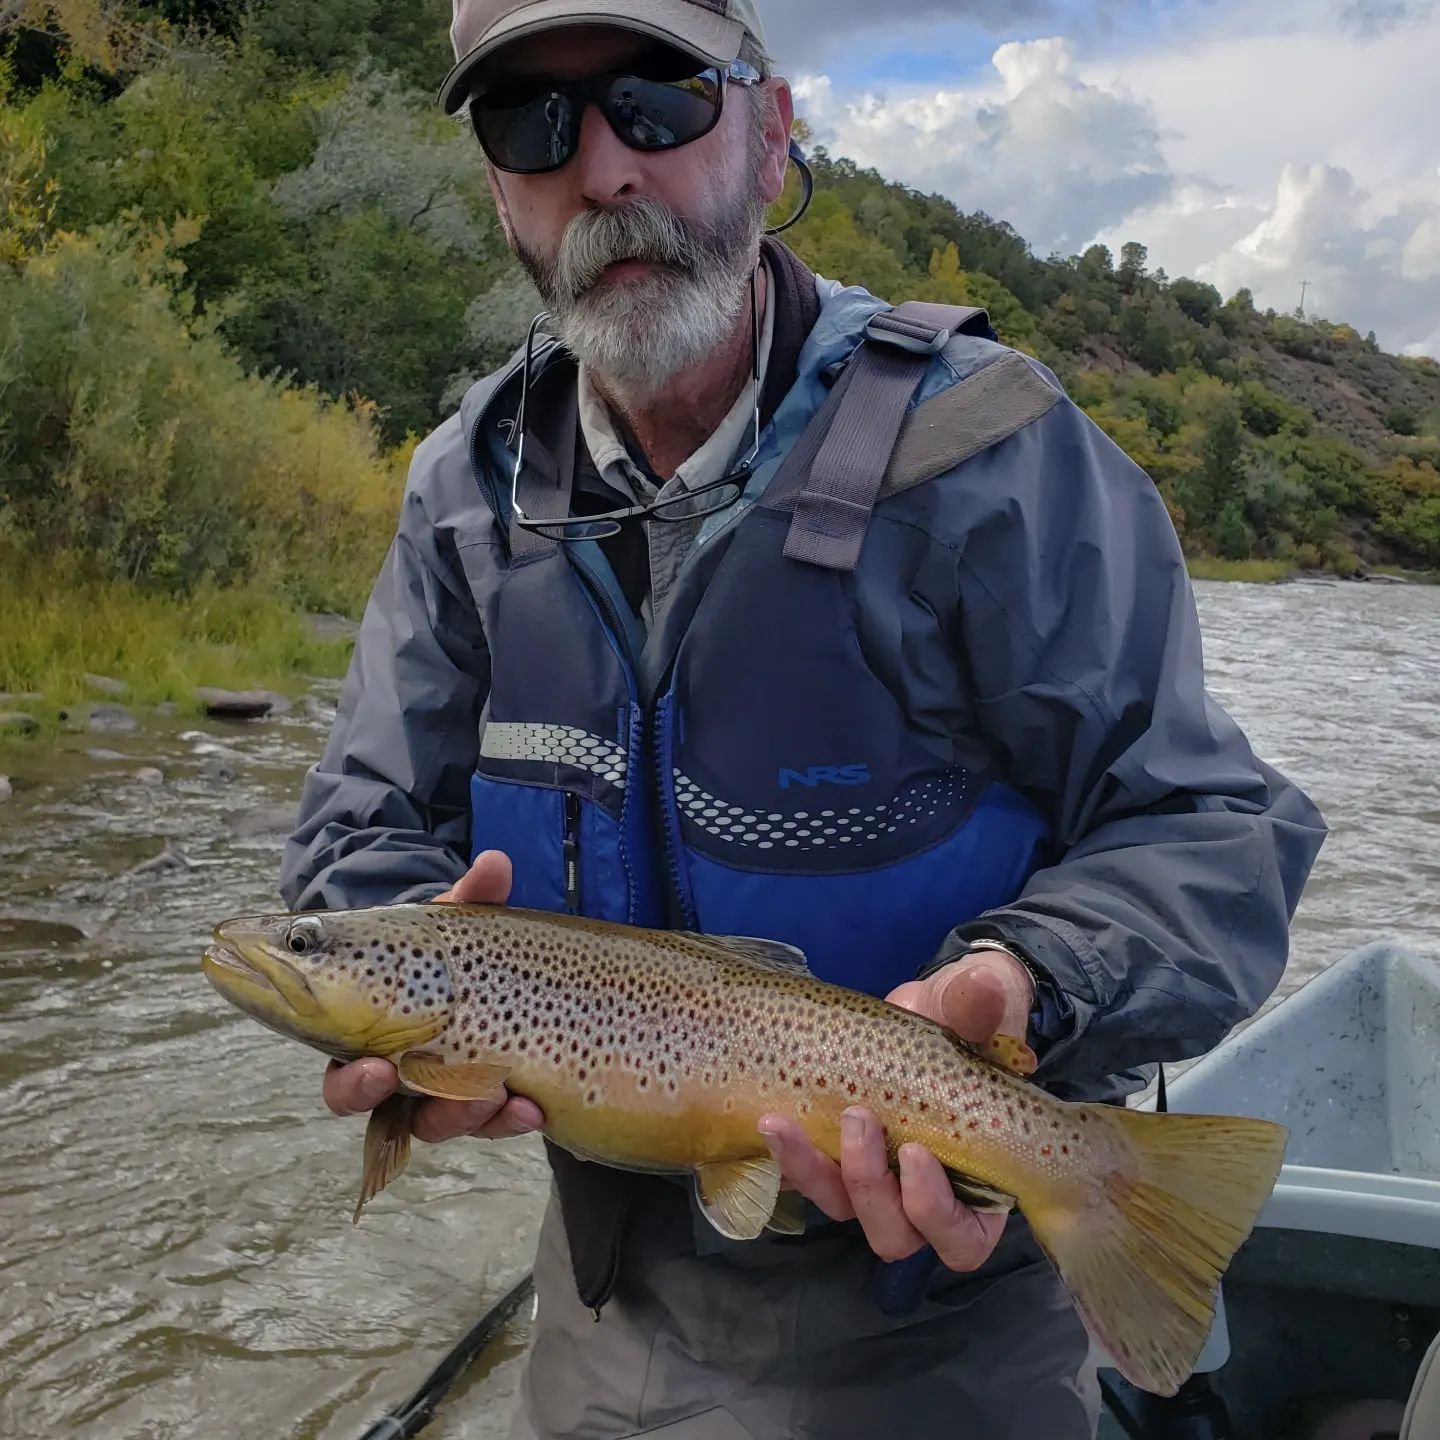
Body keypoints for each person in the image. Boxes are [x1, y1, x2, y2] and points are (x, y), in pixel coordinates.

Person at [278, 1, 1328, 1435]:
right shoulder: (462, 496)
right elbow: (359, 834)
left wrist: (1028, 977)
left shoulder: (991, 457)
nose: (605, 172)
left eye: (658, 100)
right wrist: (422, 1013)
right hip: (605, 1310)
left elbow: (1213, 824)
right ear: (497, 188)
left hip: (952, 1316)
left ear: (774, 133)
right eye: (534, 122)